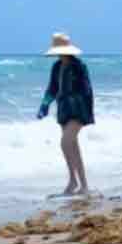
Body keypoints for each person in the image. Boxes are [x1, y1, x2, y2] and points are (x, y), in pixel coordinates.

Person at [38, 32, 95, 196]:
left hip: (78, 110)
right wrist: (45, 104)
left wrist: (86, 111)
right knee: (72, 146)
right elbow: (52, 88)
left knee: (65, 142)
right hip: (63, 110)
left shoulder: (79, 66)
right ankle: (76, 183)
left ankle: (80, 184)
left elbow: (87, 90)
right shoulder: (56, 67)